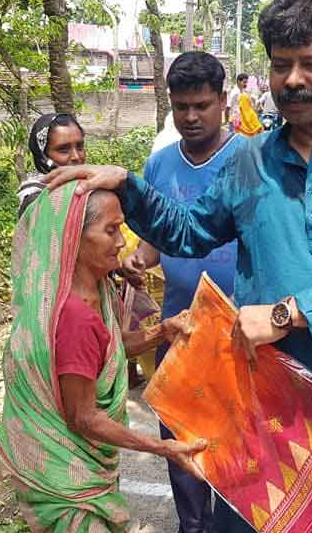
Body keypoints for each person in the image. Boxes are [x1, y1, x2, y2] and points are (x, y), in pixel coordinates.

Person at [46, 0, 312, 533]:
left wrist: (287, 313)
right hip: (269, 412)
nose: (292, 80)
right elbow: (190, 231)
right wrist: (129, 188)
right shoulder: (249, 160)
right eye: (280, 64)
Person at [0, 184, 206, 532]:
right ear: (72, 238)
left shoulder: (99, 288)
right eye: (110, 231)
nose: (122, 242)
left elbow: (106, 351)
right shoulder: (74, 317)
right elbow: (85, 418)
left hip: (79, 464)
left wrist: (160, 332)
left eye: (121, 229)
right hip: (65, 480)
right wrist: (164, 447)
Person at [120, 51, 241, 533]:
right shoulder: (160, 165)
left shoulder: (250, 160)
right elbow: (156, 238)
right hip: (179, 332)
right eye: (181, 106)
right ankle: (192, 528)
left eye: (202, 105)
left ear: (223, 102)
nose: (191, 117)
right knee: (182, 449)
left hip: (239, 333)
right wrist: (140, 258)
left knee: (236, 451)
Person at [17, 112, 86, 217]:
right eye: (63, 150)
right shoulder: (37, 200)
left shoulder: (88, 184)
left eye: (80, 147)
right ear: (43, 156)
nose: (76, 156)